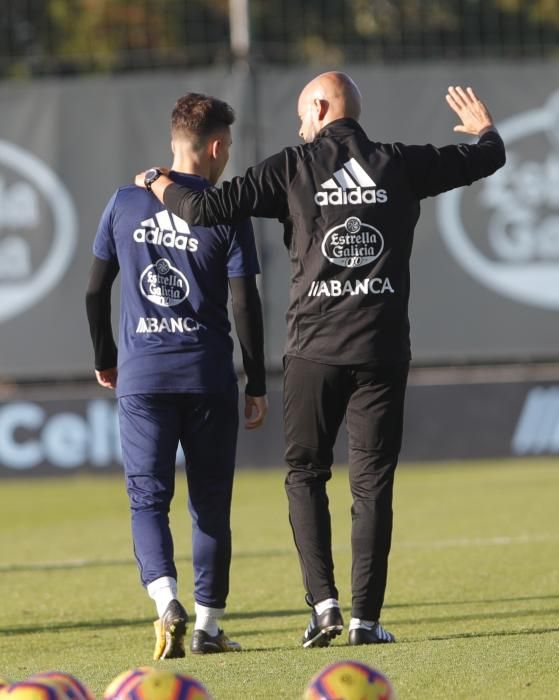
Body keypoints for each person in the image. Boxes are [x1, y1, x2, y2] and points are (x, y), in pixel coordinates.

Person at [134, 73, 506, 647]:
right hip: (380, 352)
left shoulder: (290, 168)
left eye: (304, 115)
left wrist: (159, 183)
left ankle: (325, 606)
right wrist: (484, 130)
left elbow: (204, 211)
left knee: (306, 475)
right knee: (372, 484)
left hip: (311, 353)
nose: (299, 125)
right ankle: (366, 621)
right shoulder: (397, 163)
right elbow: (488, 158)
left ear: (320, 106)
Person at [86, 92, 268, 659]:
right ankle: (210, 626)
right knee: (210, 503)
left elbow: (95, 291)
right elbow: (245, 303)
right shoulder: (227, 209)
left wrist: (105, 357)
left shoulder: (123, 202)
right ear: (214, 147)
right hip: (207, 374)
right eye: (228, 148)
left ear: (174, 142)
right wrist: (256, 380)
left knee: (147, 500)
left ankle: (166, 600)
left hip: (142, 374)